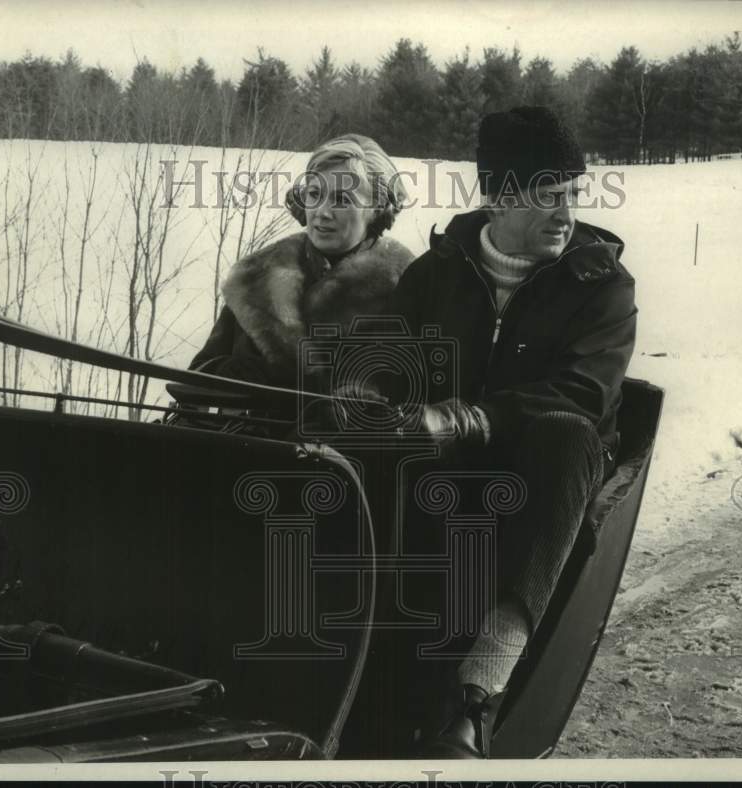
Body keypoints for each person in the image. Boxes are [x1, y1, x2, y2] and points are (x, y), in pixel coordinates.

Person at [376, 106, 637, 757]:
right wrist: (373, 403)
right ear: (497, 200)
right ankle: (368, 681)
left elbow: (583, 393)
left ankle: (479, 693)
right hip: (443, 470)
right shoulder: (435, 273)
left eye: (572, 195)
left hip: (546, 477)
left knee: (566, 432)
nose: (567, 214)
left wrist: (469, 417)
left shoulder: (601, 283)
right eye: (548, 198)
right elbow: (383, 364)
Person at [187, 134, 415, 391]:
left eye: (342, 200)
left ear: (376, 208)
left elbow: (413, 394)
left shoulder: (407, 285)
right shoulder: (255, 276)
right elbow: (196, 380)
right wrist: (224, 373)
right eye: (315, 194)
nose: (322, 212)